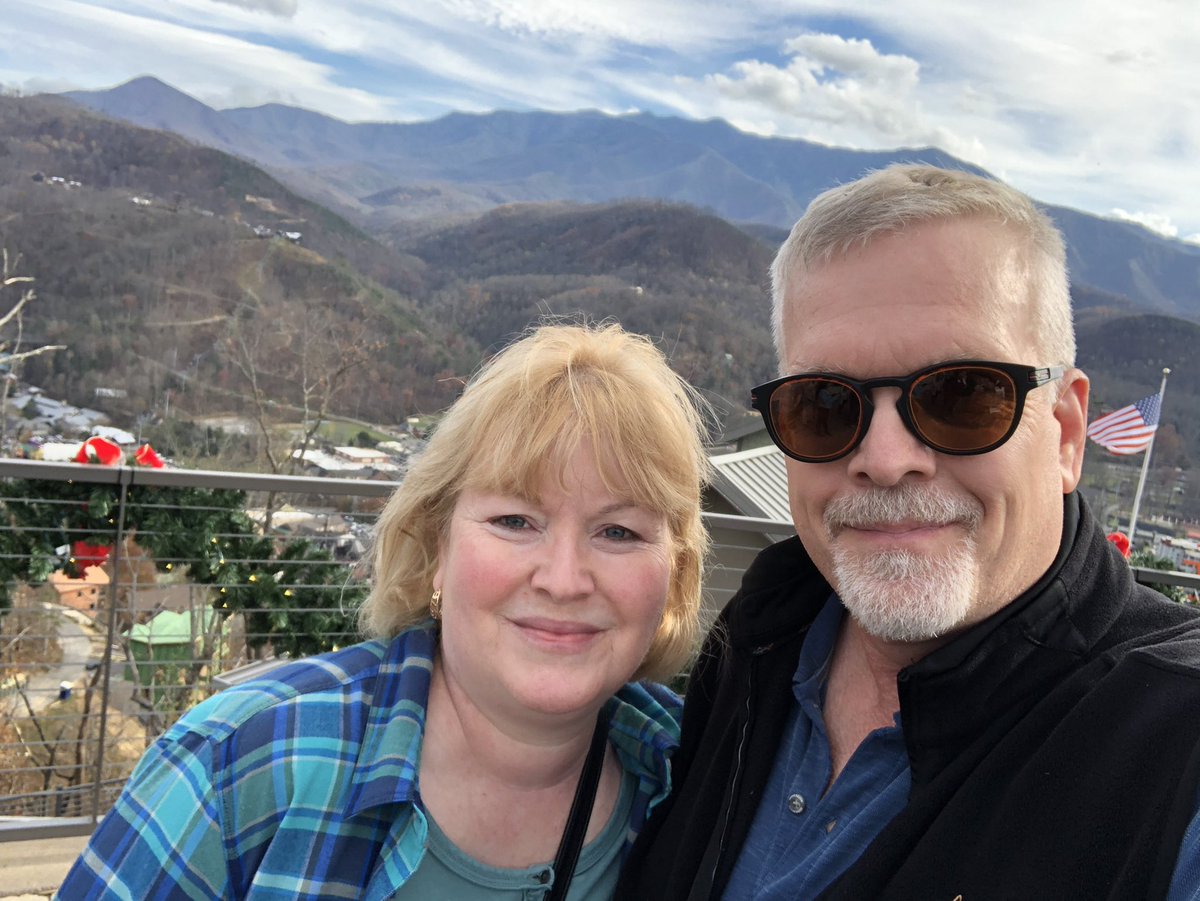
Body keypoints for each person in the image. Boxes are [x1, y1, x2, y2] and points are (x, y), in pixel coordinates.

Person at [617, 165, 1200, 900]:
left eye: (963, 394)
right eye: (824, 404)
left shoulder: (1171, 745)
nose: (886, 461)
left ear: (1064, 431)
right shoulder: (764, 636)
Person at [60, 321, 711, 900]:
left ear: (673, 573)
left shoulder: (707, 778)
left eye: (619, 531)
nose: (565, 578)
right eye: (515, 519)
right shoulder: (240, 763)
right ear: (437, 549)